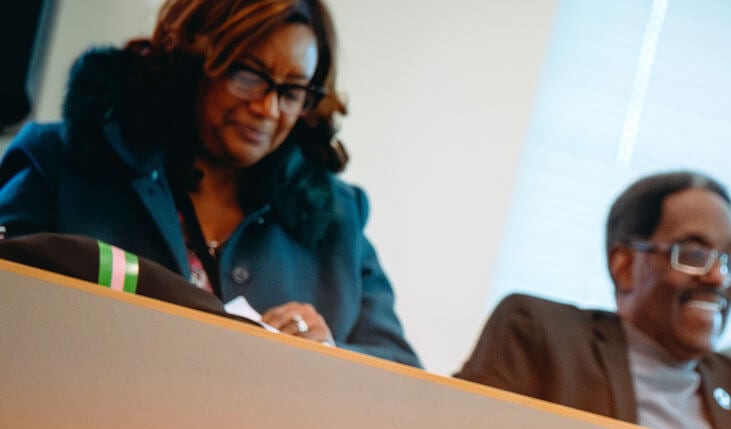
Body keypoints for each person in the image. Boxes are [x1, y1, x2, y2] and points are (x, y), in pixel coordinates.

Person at [0, 0, 419, 367]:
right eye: (249, 74)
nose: (267, 108)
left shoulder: (338, 219)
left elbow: (402, 374)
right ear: (193, 60)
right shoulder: (60, 160)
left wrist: (328, 353)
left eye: (291, 92)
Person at [455, 170, 731, 429]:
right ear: (624, 265)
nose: (718, 277)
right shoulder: (540, 333)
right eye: (694, 254)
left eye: (729, 260)